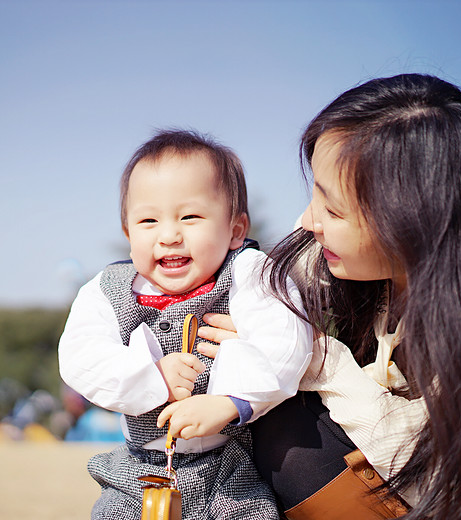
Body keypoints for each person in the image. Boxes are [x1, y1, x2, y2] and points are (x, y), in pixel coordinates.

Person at [199, 74, 461, 519]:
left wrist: (315, 356)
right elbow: (248, 290)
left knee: (291, 434)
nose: (310, 221)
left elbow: (438, 480)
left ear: (411, 218)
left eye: (334, 210)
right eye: (315, 191)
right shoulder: (335, 248)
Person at [58, 129, 312, 520]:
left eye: (190, 217)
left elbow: (287, 339)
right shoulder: (108, 290)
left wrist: (233, 401)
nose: (170, 235)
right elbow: (80, 357)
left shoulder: (248, 274)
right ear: (128, 234)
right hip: (139, 471)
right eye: (148, 220)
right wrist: (150, 376)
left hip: (231, 468)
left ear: (235, 230)